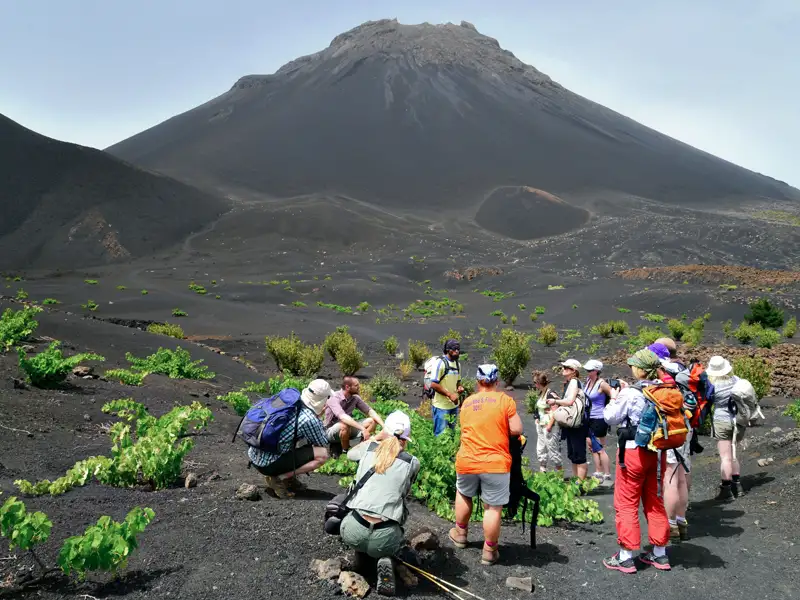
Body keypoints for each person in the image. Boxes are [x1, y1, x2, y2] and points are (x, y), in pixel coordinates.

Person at [602, 349, 672, 573]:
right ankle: (660, 554)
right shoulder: (663, 390)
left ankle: (625, 557)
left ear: (640, 369)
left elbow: (610, 417)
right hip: (656, 453)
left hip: (632, 453)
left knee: (627, 503)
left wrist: (614, 396)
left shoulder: (630, 393)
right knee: (654, 500)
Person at [340, 411, 420, 596]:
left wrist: (375, 437)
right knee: (397, 510)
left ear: (386, 430)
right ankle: (384, 556)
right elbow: (404, 492)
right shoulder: (412, 462)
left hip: (354, 529)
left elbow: (350, 454)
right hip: (385, 537)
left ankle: (361, 556)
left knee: (354, 505)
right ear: (406, 436)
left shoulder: (368, 449)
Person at [449, 364, 523, 565]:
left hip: (467, 459)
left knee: (464, 494)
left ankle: (461, 534)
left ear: (477, 381)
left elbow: (464, 427)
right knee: (492, 507)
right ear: (496, 382)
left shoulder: (468, 403)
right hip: (495, 462)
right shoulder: (505, 401)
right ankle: (489, 551)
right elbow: (516, 429)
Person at [248, 379, 333, 498]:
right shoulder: (309, 418)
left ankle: (289, 479)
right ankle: (280, 478)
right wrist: (319, 419)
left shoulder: (291, 402)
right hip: (268, 464)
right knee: (322, 454)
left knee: (295, 439)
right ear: (322, 400)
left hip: (254, 456)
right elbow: (322, 442)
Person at [650, 339, 691, 540]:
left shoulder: (663, 373)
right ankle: (682, 520)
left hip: (669, 428)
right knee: (681, 475)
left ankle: (670, 525)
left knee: (669, 477)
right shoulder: (684, 370)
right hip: (685, 425)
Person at [706, 355, 745, 500]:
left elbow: (708, 401)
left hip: (721, 421)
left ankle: (726, 489)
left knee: (725, 457)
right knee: (734, 454)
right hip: (738, 421)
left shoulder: (713, 386)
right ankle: (738, 486)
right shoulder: (737, 380)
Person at [547, 359, 588, 481]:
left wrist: (555, 401)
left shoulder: (574, 382)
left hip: (577, 424)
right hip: (572, 424)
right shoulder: (570, 382)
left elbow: (570, 401)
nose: (563, 369)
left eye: (566, 368)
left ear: (573, 371)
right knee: (574, 455)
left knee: (579, 455)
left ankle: (580, 484)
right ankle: (577, 482)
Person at [325, 376, 385, 451]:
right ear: (347, 387)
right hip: (331, 432)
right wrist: (363, 429)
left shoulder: (355, 398)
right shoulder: (334, 398)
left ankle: (361, 447)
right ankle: (345, 450)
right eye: (356, 385)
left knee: (372, 421)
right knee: (344, 424)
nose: (359, 387)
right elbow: (343, 417)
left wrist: (384, 426)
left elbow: (370, 411)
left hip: (348, 429)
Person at [583, 359, 613, 487]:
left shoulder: (602, 384)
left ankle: (607, 473)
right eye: (587, 370)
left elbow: (613, 395)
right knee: (591, 446)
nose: (588, 372)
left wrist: (610, 409)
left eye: (590, 370)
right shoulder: (588, 381)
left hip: (599, 417)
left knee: (600, 447)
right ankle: (598, 471)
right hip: (588, 417)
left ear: (596, 371)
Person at [429, 339, 465, 436]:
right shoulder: (440, 363)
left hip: (454, 406)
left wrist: (460, 387)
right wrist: (449, 395)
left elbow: (458, 382)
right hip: (441, 406)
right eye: (454, 349)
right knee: (441, 435)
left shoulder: (458, 365)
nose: (457, 351)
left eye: (458, 349)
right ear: (448, 350)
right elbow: (433, 384)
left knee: (452, 434)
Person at [532, 371, 562, 473]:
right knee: (541, 448)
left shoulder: (550, 394)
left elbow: (555, 411)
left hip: (550, 426)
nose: (534, 385)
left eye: (535, 383)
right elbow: (539, 407)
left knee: (552, 449)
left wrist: (549, 425)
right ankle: (543, 470)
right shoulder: (541, 393)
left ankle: (559, 474)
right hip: (541, 424)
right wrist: (536, 418)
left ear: (539, 383)